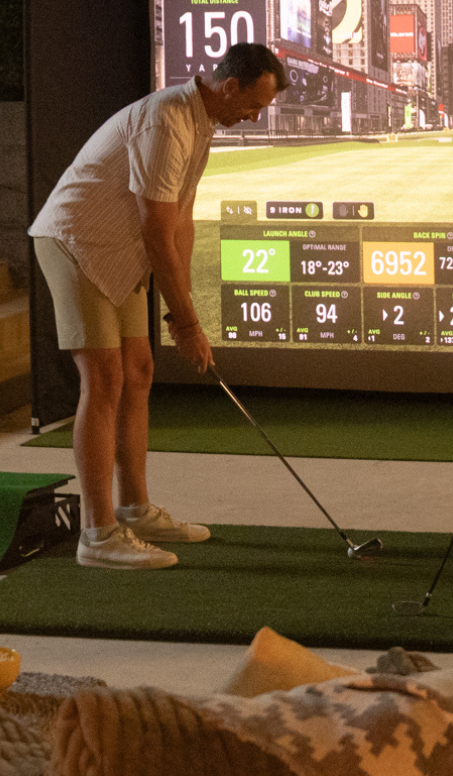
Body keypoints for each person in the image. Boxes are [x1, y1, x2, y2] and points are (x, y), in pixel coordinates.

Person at [28, 43, 287, 569]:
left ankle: (134, 509)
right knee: (104, 379)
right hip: (76, 241)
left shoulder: (200, 124)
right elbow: (154, 230)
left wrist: (182, 309)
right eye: (254, 105)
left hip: (118, 251)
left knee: (139, 370)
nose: (255, 117)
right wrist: (187, 324)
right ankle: (98, 535)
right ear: (230, 86)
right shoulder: (167, 121)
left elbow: (180, 223)